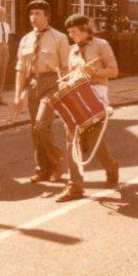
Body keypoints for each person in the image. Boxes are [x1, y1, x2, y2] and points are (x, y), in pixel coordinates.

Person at [55, 14, 120, 202]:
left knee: (93, 138)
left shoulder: (101, 45)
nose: (71, 35)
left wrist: (95, 72)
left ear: (84, 28)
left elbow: (114, 71)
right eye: (69, 32)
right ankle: (75, 186)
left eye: (74, 31)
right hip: (78, 94)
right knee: (71, 136)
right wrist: (65, 82)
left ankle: (111, 167)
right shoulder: (72, 51)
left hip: (97, 93)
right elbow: (70, 74)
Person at [14, 0, 69, 184]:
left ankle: (56, 163)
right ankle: (42, 169)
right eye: (31, 14)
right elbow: (21, 69)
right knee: (35, 130)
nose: (33, 17)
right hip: (33, 83)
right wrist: (17, 94)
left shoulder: (59, 38)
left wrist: (65, 89)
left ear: (47, 16)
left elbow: (66, 67)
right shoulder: (26, 39)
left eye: (38, 13)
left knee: (41, 125)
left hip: (53, 82)